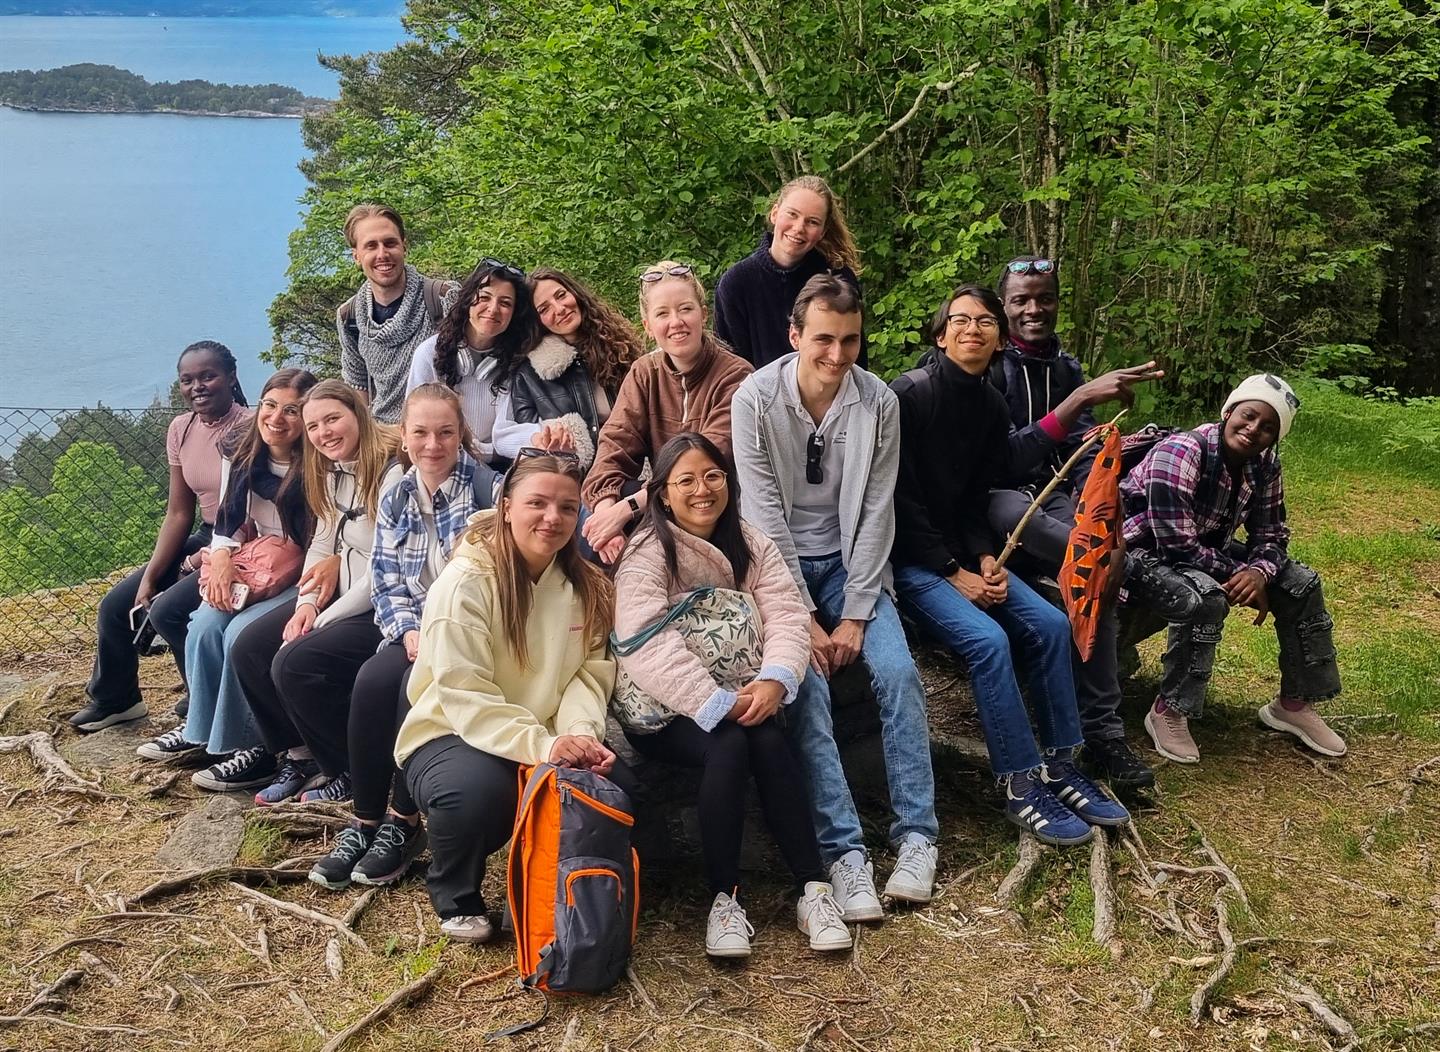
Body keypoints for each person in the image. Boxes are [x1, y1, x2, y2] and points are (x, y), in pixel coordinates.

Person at [888, 284, 1129, 847]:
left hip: (963, 556)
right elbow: (896, 498)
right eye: (960, 320)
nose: (972, 330)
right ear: (941, 334)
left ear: (1000, 339)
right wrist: (953, 571)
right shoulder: (910, 395)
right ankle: (1020, 781)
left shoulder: (990, 404)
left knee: (1051, 625)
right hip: (909, 562)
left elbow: (979, 494)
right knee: (989, 641)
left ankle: (1060, 764)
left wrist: (984, 557)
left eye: (985, 322)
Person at [730, 274, 938, 921]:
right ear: (795, 336)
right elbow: (762, 517)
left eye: (850, 340)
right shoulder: (755, 398)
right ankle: (845, 852)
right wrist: (803, 619)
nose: (837, 354)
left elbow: (877, 510)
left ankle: (917, 836)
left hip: (853, 569)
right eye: (823, 339)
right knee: (807, 689)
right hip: (777, 572)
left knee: (899, 674)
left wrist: (854, 614)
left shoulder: (878, 402)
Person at [613, 433, 851, 958]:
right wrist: (713, 702)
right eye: (686, 480)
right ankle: (724, 900)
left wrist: (776, 679)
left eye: (713, 476)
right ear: (663, 494)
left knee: (764, 739)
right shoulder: (647, 553)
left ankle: (813, 889)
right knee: (731, 743)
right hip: (667, 711)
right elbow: (645, 641)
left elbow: (786, 613)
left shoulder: (751, 541)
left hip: (746, 692)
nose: (703, 490)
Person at [395, 450, 615, 943]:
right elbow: (464, 692)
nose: (552, 518)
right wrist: (545, 746)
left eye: (567, 507)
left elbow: (588, 674)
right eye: (537, 503)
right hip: (451, 731)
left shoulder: (588, 587)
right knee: (477, 794)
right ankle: (455, 892)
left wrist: (580, 735)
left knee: (614, 786)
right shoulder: (465, 582)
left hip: (547, 732)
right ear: (507, 506)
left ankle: (557, 891)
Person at [308, 384, 499, 891]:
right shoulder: (396, 496)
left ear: (462, 434)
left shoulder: (488, 492)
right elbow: (386, 579)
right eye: (421, 433)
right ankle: (364, 821)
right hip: (413, 627)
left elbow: (494, 580)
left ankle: (404, 821)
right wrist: (409, 630)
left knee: (408, 690)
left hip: (466, 633)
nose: (432, 445)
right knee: (371, 683)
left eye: (445, 432)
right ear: (405, 435)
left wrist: (437, 633)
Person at [986, 255, 1165, 789]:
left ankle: (1103, 734)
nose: (1033, 309)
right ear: (1003, 306)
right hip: (997, 503)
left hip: (1056, 495)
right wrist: (1079, 399)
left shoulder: (1065, 367)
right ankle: (1116, 565)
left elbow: (1082, 448)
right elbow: (1003, 460)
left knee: (1097, 566)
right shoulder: (987, 365)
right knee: (1090, 559)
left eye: (1044, 298)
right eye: (1021, 300)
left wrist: (1099, 505)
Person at [1119, 373, 1345, 763]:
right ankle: (1169, 710)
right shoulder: (1182, 452)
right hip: (1141, 552)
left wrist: (1259, 573)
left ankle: (1293, 705)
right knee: (1206, 597)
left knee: (1301, 584)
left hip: (1207, 548)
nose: (1254, 429)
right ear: (1229, 412)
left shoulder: (1265, 465)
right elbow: (1177, 544)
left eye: (1268, 427)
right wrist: (1236, 573)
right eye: (1249, 416)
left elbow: (1271, 533)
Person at [133, 369, 316, 791]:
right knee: (202, 624)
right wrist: (220, 558)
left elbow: (323, 535)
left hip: (303, 565)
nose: (277, 418)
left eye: (292, 410)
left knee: (238, 634)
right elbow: (229, 517)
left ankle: (255, 747)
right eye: (270, 405)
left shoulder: (317, 461)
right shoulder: (243, 448)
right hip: (256, 557)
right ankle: (205, 730)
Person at [227, 380, 403, 802]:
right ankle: (301, 757)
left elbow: (382, 568)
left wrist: (323, 619)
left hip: (378, 604)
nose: (324, 433)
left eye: (333, 419)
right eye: (313, 426)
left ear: (358, 414)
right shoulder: (327, 469)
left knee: (294, 662)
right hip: (336, 593)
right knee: (250, 648)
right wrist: (305, 604)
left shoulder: (391, 472)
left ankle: (351, 770)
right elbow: (323, 543)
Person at [71, 341, 251, 732]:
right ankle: (117, 700)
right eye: (187, 380)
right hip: (205, 533)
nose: (197, 387)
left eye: (208, 376)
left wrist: (203, 561)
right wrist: (151, 577)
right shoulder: (181, 429)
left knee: (171, 609)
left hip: (243, 540)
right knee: (116, 606)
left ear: (231, 377)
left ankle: (204, 701)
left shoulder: (252, 427)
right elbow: (179, 512)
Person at [580, 262, 753, 563]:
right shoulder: (645, 373)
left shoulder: (736, 376)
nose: (676, 322)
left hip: (716, 507)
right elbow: (614, 445)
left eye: (685, 309)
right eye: (662, 313)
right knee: (588, 534)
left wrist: (626, 509)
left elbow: (704, 460)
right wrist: (606, 514)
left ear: (703, 314)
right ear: (648, 326)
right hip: (663, 503)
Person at [490, 268, 644, 468]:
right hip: (576, 476)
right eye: (544, 309)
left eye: (561, 295)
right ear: (536, 321)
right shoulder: (529, 376)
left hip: (634, 467)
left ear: (575, 294)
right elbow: (533, 452)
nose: (559, 309)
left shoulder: (622, 349)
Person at [714, 176, 865, 370]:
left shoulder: (838, 279)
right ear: (774, 213)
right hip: (758, 389)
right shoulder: (736, 283)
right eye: (792, 214)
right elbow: (729, 367)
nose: (799, 228)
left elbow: (856, 359)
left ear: (823, 231)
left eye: (812, 222)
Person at [336, 203, 459, 423]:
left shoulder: (443, 298)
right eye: (371, 246)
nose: (382, 254)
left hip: (441, 431)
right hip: (384, 434)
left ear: (404, 246)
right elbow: (358, 387)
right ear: (356, 256)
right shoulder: (350, 317)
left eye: (390, 243)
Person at [405, 258, 536, 465]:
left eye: (505, 303)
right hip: (438, 461)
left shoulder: (516, 361)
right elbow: (414, 423)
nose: (493, 309)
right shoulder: (428, 353)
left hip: (497, 467)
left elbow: (507, 434)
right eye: (484, 297)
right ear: (468, 301)